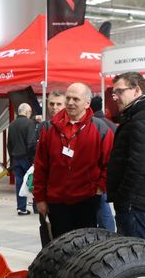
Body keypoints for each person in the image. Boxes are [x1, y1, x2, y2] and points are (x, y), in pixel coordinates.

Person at [33, 83, 113, 237]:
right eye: (68, 98)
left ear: (87, 103)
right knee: (58, 246)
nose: (70, 103)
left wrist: (99, 188)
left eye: (75, 99)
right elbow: (41, 165)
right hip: (56, 201)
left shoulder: (100, 129)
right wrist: (40, 198)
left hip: (87, 201)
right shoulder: (49, 129)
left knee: (84, 248)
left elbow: (110, 164)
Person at [106, 72, 145, 240]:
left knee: (136, 259)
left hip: (136, 202)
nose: (115, 97)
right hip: (136, 201)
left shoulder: (143, 119)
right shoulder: (139, 116)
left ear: (137, 90)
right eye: (114, 93)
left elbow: (139, 166)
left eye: (120, 92)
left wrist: (124, 198)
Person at [90, 96, 117, 232]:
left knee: (102, 207)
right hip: (107, 175)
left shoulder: (94, 125)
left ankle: (108, 234)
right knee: (103, 206)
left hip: (97, 177)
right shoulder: (110, 124)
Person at [7, 103, 36, 215]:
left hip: (15, 158)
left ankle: (21, 208)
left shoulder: (12, 124)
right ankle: (36, 206)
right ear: (27, 112)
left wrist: (12, 157)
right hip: (27, 157)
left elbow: (9, 143)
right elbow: (31, 143)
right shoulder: (30, 123)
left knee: (19, 182)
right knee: (32, 181)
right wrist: (33, 159)